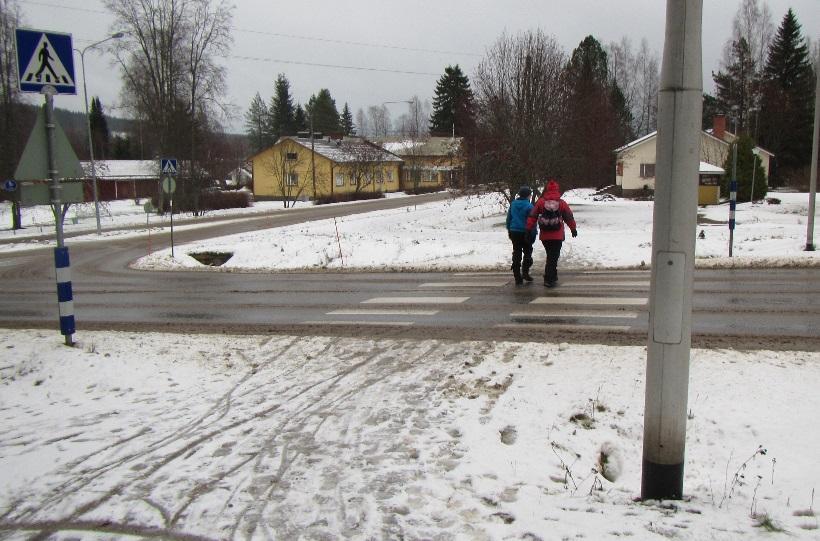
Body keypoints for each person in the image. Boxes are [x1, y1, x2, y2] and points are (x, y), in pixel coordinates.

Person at [526, 179, 577, 288]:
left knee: (551, 256)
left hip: (545, 236)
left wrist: (528, 228)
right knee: (553, 257)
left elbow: (532, 216)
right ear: (557, 190)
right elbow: (569, 216)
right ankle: (549, 279)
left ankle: (553, 276)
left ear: (547, 190)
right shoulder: (561, 203)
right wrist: (573, 229)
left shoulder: (540, 202)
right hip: (557, 235)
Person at [506, 186, 536, 285]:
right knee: (527, 252)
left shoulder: (513, 204)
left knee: (516, 253)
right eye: (530, 195)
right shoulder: (529, 206)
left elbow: (509, 218)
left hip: (514, 231)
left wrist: (509, 230)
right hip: (525, 232)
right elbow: (532, 221)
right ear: (528, 195)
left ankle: (517, 276)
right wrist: (533, 233)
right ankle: (525, 272)